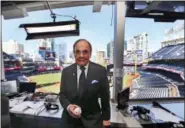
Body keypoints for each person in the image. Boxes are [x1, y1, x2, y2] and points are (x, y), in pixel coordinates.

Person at [59, 39, 110, 128]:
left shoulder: (100, 71)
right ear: (74, 54)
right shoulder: (66, 72)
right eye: (77, 52)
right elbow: (62, 95)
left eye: (85, 52)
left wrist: (106, 119)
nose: (81, 55)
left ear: (90, 54)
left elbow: (105, 97)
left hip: (93, 121)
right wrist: (69, 106)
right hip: (69, 122)